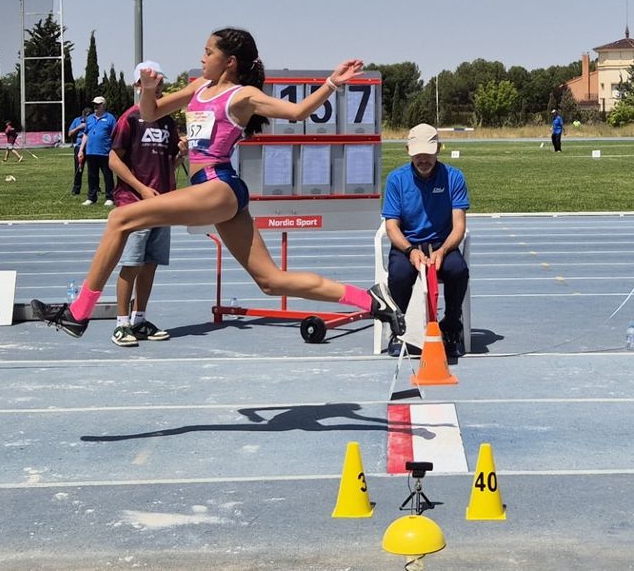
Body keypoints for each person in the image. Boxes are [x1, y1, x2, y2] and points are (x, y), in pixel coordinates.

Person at [30, 27, 404, 340]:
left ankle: (78, 313)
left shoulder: (242, 95)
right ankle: (371, 300)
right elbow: (151, 112)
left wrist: (331, 84)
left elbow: (296, 112)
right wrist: (147, 88)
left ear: (230, 62)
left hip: (217, 184)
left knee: (119, 220)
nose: (202, 56)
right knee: (271, 282)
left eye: (208, 52)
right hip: (222, 193)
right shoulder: (200, 86)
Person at [105, 62, 182, 346]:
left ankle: (139, 319)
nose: (158, 87)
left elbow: (169, 162)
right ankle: (121, 323)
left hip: (162, 202)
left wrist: (180, 156)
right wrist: (140, 188)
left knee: (150, 264)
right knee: (131, 263)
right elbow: (114, 159)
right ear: (138, 86)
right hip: (134, 202)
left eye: (160, 81)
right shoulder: (130, 118)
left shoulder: (167, 120)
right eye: (150, 81)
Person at [381, 123, 471, 360]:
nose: (423, 159)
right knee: (399, 274)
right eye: (417, 153)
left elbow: (459, 225)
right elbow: (391, 225)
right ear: (408, 150)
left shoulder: (454, 177)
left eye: (428, 153)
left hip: (442, 243)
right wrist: (410, 250)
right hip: (407, 244)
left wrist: (442, 251)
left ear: (438, 149)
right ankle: (399, 332)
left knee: (458, 270)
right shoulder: (396, 180)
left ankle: (451, 328)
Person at [78, 97, 116, 205]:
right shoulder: (89, 118)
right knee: (92, 176)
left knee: (107, 176)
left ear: (103, 105)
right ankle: (91, 197)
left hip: (105, 151)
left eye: (98, 104)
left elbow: (115, 134)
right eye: (94, 104)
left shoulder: (110, 118)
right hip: (91, 151)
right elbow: (86, 134)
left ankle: (110, 197)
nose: (95, 106)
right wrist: (81, 150)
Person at [66, 107, 90, 196]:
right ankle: (76, 188)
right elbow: (69, 133)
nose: (85, 119)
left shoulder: (93, 120)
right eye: (84, 116)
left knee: (92, 169)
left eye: (87, 116)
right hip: (79, 146)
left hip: (91, 147)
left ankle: (95, 188)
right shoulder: (76, 120)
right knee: (78, 168)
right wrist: (79, 127)